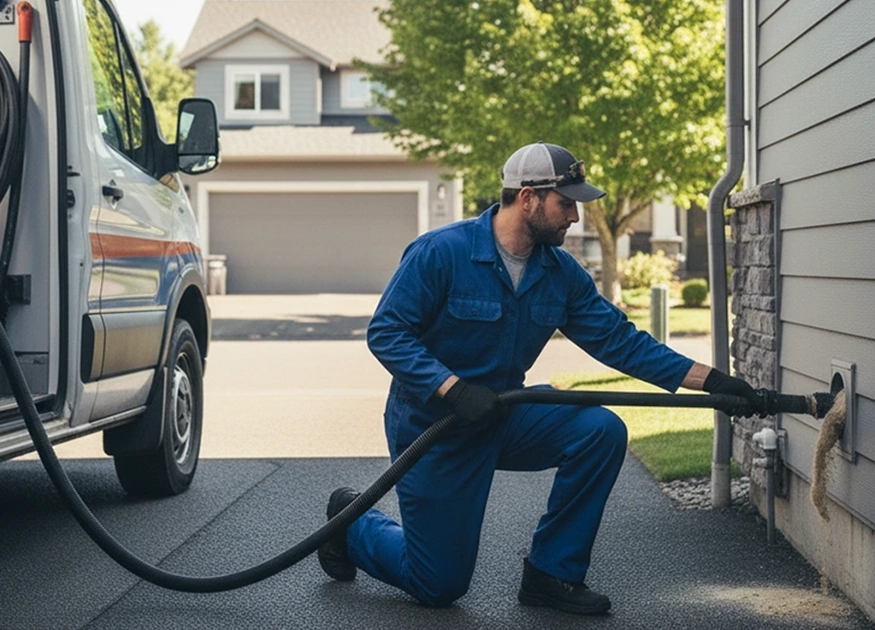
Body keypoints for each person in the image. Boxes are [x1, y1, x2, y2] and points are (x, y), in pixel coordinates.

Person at [317, 141, 762, 615]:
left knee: (599, 431)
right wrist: (453, 388)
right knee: (438, 584)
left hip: (505, 416)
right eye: (566, 203)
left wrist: (713, 381)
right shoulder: (441, 253)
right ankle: (353, 523)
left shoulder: (560, 272)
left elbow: (620, 341)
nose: (575, 217)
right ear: (528, 198)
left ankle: (552, 573)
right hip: (434, 428)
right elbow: (387, 332)